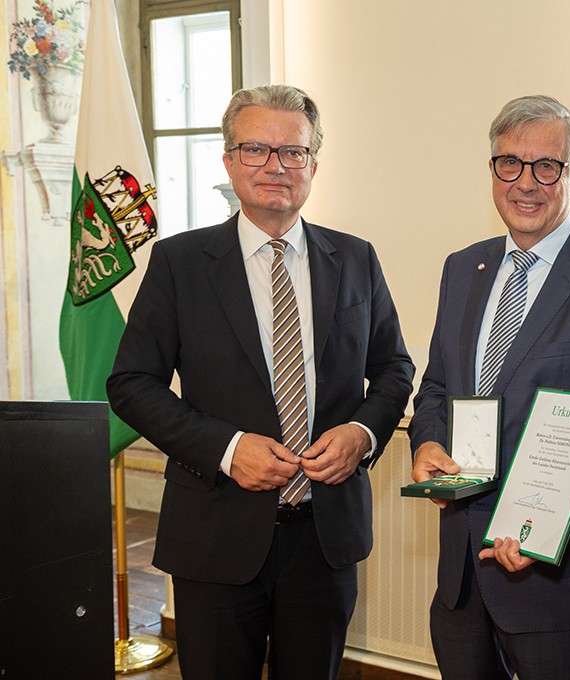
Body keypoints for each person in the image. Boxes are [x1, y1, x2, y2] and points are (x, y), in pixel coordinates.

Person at [106, 85, 414, 679]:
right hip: (216, 533)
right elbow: (132, 383)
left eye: (292, 152)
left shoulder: (356, 259)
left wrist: (362, 434)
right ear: (228, 162)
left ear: (313, 166)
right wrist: (226, 449)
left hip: (324, 537)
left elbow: (395, 368)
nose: (276, 166)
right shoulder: (180, 263)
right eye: (255, 150)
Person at [408, 95, 570, 680]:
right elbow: (439, 387)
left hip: (559, 576)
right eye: (509, 163)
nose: (526, 182)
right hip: (462, 574)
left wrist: (552, 524)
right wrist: (425, 443)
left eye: (547, 166)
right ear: (492, 170)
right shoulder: (461, 267)